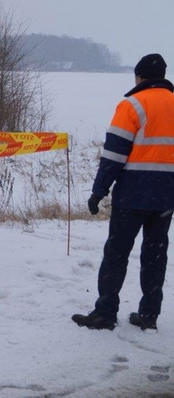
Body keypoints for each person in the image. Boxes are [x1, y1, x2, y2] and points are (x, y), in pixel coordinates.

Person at [72, 53, 174, 331]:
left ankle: (105, 313)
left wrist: (98, 191)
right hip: (166, 197)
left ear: (140, 77)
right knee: (155, 255)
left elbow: (114, 155)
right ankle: (149, 315)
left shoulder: (132, 105)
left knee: (117, 254)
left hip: (133, 195)